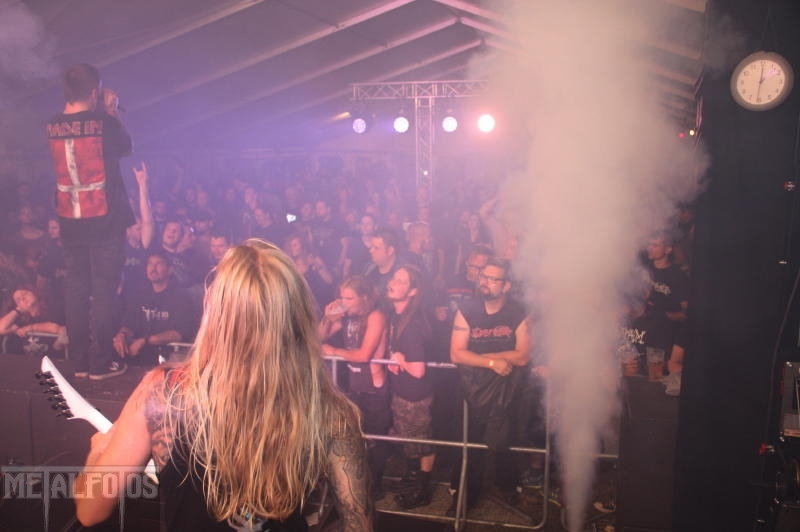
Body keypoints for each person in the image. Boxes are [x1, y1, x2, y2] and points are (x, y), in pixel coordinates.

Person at [74, 239, 373, 531]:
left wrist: (98, 451)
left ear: (214, 311)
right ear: (296, 318)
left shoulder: (163, 393)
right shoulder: (329, 409)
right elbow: (359, 524)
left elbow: (90, 510)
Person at [46, 63, 134, 380]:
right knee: (104, 292)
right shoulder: (103, 123)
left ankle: (80, 362)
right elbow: (126, 147)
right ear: (94, 92)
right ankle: (101, 364)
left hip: (70, 220)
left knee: (76, 291)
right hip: (105, 221)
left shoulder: (52, 125)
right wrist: (111, 111)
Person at [449, 257, 533, 509]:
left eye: (493, 279)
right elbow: (456, 354)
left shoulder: (519, 312)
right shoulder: (467, 309)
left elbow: (523, 355)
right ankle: (464, 493)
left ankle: (508, 488)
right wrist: (492, 363)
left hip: (508, 388)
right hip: (472, 387)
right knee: (470, 442)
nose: (485, 282)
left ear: (506, 285)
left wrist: (482, 357)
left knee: (505, 442)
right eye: (483, 276)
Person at [319, 275, 390, 499]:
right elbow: (318, 337)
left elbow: (364, 355)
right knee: (354, 437)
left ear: (364, 298)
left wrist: (334, 351)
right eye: (342, 297)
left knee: (375, 439)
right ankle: (359, 485)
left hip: (373, 387)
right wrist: (328, 317)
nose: (344, 302)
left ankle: (375, 488)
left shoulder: (376, 316)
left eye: (349, 298)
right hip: (354, 386)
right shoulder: (348, 316)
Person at [384, 265, 436, 509]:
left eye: (401, 281)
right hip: (403, 392)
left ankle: (421, 490)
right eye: (393, 278)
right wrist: (395, 362)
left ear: (413, 291)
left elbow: (418, 370)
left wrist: (402, 361)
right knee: (412, 442)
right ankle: (413, 480)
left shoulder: (412, 324)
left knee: (422, 443)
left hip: (415, 396)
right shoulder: (398, 316)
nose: (392, 282)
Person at [112, 251, 194, 368]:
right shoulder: (139, 293)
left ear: (170, 270)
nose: (153, 268)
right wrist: (122, 335)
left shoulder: (180, 296)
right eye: (150, 263)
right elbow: (129, 324)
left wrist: (145, 341)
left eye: (159, 263)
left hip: (167, 355)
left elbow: (178, 334)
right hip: (138, 352)